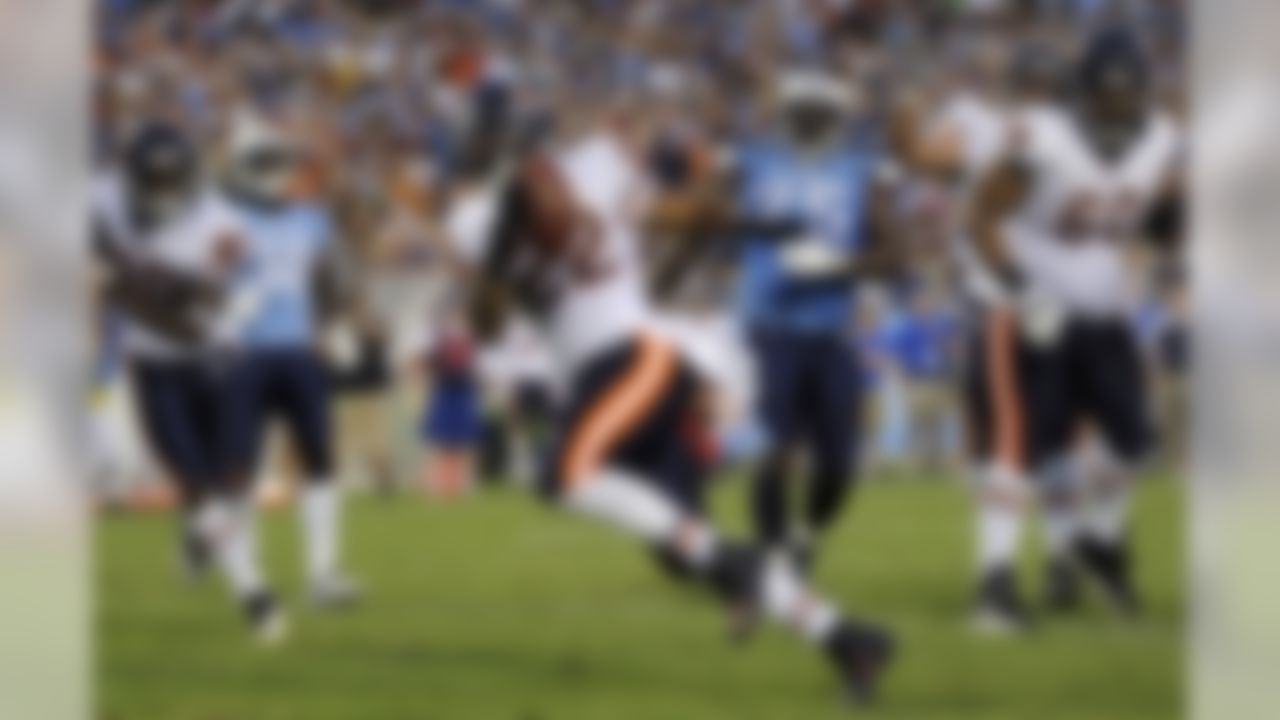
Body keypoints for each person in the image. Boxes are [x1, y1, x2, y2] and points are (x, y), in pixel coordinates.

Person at [441, 82, 895, 704]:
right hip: (607, 376)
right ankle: (847, 639)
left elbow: (684, 217)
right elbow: (488, 322)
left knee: (566, 475)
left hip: (636, 358)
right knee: (683, 551)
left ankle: (743, 566)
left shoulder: (592, 169)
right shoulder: (474, 219)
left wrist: (747, 225)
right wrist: (503, 241)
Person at [966, 29, 1183, 629]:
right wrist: (1019, 288)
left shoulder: (1161, 139)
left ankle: (1099, 542)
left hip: (1106, 315)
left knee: (1137, 441)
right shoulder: (1043, 137)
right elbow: (980, 214)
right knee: (1018, 446)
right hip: (1036, 311)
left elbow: (1156, 218)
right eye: (1108, 89)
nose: (1119, 101)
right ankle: (995, 585)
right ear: (1084, 90)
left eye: (1129, 89)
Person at [92, 121, 288, 639]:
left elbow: (245, 294)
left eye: (171, 182)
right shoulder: (103, 200)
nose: (162, 193)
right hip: (154, 366)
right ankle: (255, 595)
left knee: (230, 481)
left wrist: (203, 307)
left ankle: (201, 539)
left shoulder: (219, 225)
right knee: (194, 482)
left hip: (212, 359)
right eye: (153, 182)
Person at [733, 70, 902, 571]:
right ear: (786, 113)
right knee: (774, 446)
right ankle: (772, 549)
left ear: (836, 117)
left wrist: (839, 265)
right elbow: (708, 214)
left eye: (819, 111)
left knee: (839, 461)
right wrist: (758, 225)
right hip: (768, 324)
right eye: (800, 109)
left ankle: (805, 534)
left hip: (831, 329)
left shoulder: (861, 170)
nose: (808, 120)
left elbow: (896, 253)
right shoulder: (751, 160)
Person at [217, 112, 361, 613]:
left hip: (297, 352)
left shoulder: (310, 220)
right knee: (241, 467)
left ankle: (323, 574)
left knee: (320, 460)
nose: (277, 173)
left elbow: (331, 279)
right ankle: (250, 578)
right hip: (242, 356)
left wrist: (331, 323)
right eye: (267, 162)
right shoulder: (222, 217)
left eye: (279, 162)